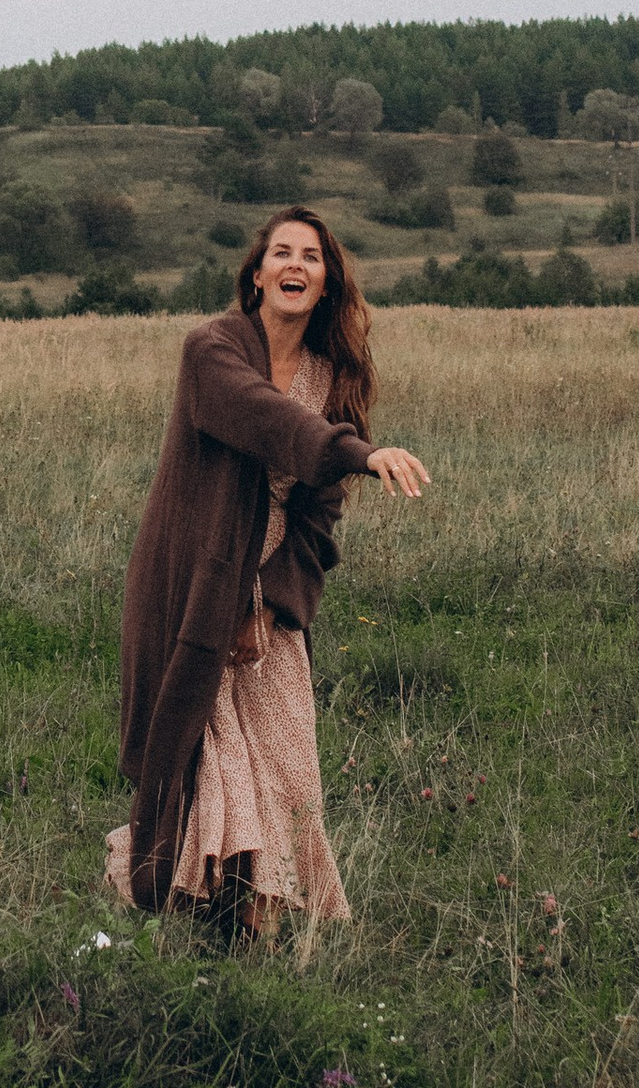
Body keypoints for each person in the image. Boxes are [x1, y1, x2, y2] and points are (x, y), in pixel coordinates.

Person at [111, 207, 429, 939]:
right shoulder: (212, 350)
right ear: (256, 275)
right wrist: (358, 451)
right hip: (194, 591)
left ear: (325, 283)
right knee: (204, 759)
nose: (295, 264)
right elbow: (264, 419)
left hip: (270, 602)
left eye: (311, 256)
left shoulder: (332, 377)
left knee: (286, 772)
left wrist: (273, 608)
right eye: (281, 252)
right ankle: (186, 920)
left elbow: (318, 520)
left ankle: (257, 935)